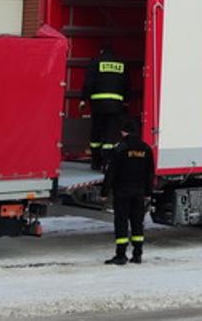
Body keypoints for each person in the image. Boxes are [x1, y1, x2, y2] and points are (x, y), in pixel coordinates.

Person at [102, 117, 154, 265]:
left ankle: (121, 255)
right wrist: (148, 192)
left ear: (124, 132)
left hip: (122, 191)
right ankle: (137, 255)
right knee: (138, 223)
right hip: (139, 191)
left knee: (121, 222)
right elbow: (150, 173)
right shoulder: (146, 149)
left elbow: (111, 172)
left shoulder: (120, 148)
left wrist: (104, 192)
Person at [85, 46, 129, 169]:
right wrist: (126, 101)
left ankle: (96, 162)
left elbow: (89, 83)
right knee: (110, 133)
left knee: (96, 132)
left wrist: (84, 98)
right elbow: (126, 83)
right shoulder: (121, 64)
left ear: (101, 52)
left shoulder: (95, 62)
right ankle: (107, 162)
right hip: (115, 105)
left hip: (98, 105)